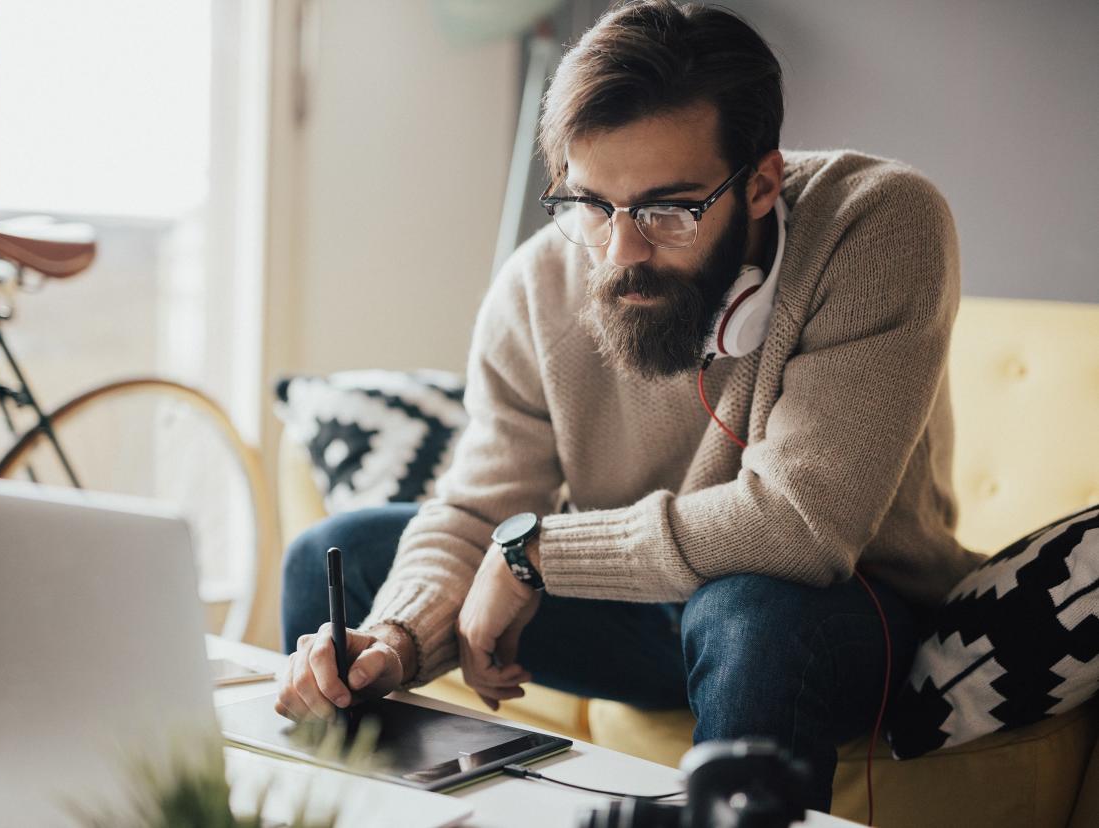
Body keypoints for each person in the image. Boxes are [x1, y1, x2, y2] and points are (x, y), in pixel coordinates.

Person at [274, 0, 981, 812]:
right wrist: (392, 640)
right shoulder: (540, 284)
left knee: (748, 609)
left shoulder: (878, 223)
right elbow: (480, 511)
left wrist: (534, 553)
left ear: (760, 183)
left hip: (837, 616)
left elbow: (802, 525)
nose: (620, 252)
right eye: (592, 204)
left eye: (668, 208)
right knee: (335, 552)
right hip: (643, 604)